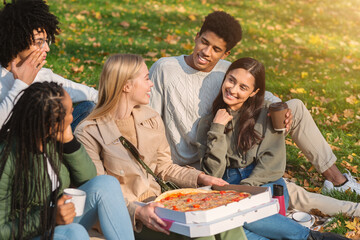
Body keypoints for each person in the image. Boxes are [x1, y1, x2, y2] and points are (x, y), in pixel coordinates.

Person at [149, 11, 359, 198]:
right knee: (287, 195)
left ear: (225, 54)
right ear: (196, 37)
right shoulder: (165, 68)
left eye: (216, 49)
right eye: (204, 42)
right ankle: (274, 189)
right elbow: (148, 119)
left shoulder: (226, 70)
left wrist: (281, 109)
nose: (206, 52)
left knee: (294, 106)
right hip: (198, 163)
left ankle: (337, 181)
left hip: (230, 148)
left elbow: (259, 93)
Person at [75, 54, 247, 240]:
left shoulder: (150, 118)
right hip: (130, 217)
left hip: (161, 202)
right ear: (126, 86)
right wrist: (137, 212)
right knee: (201, 232)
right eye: (147, 78)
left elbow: (164, 167)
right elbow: (101, 193)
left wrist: (201, 178)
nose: (152, 84)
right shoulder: (89, 132)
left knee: (226, 219)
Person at [196, 57, 349, 240]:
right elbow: (213, 173)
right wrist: (217, 129)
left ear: (254, 92)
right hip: (230, 185)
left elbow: (272, 164)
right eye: (231, 80)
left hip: (266, 184)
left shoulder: (269, 114)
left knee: (235, 221)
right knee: (238, 232)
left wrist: (245, 192)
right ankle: (309, 237)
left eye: (243, 87)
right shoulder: (209, 123)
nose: (233, 89)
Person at [0, 82, 134, 240]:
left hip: (59, 221)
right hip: (28, 233)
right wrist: (48, 217)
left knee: (106, 183)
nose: (74, 113)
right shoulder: (7, 158)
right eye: (70, 111)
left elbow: (89, 178)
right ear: (51, 125)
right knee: (75, 233)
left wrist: (69, 142)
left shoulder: (54, 138)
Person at [0, 0, 97, 130]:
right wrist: (21, 84)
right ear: (17, 41)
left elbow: (82, 92)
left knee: (89, 106)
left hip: (47, 142)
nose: (46, 48)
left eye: (46, 41)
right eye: (39, 42)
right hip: (11, 146)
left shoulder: (41, 74)